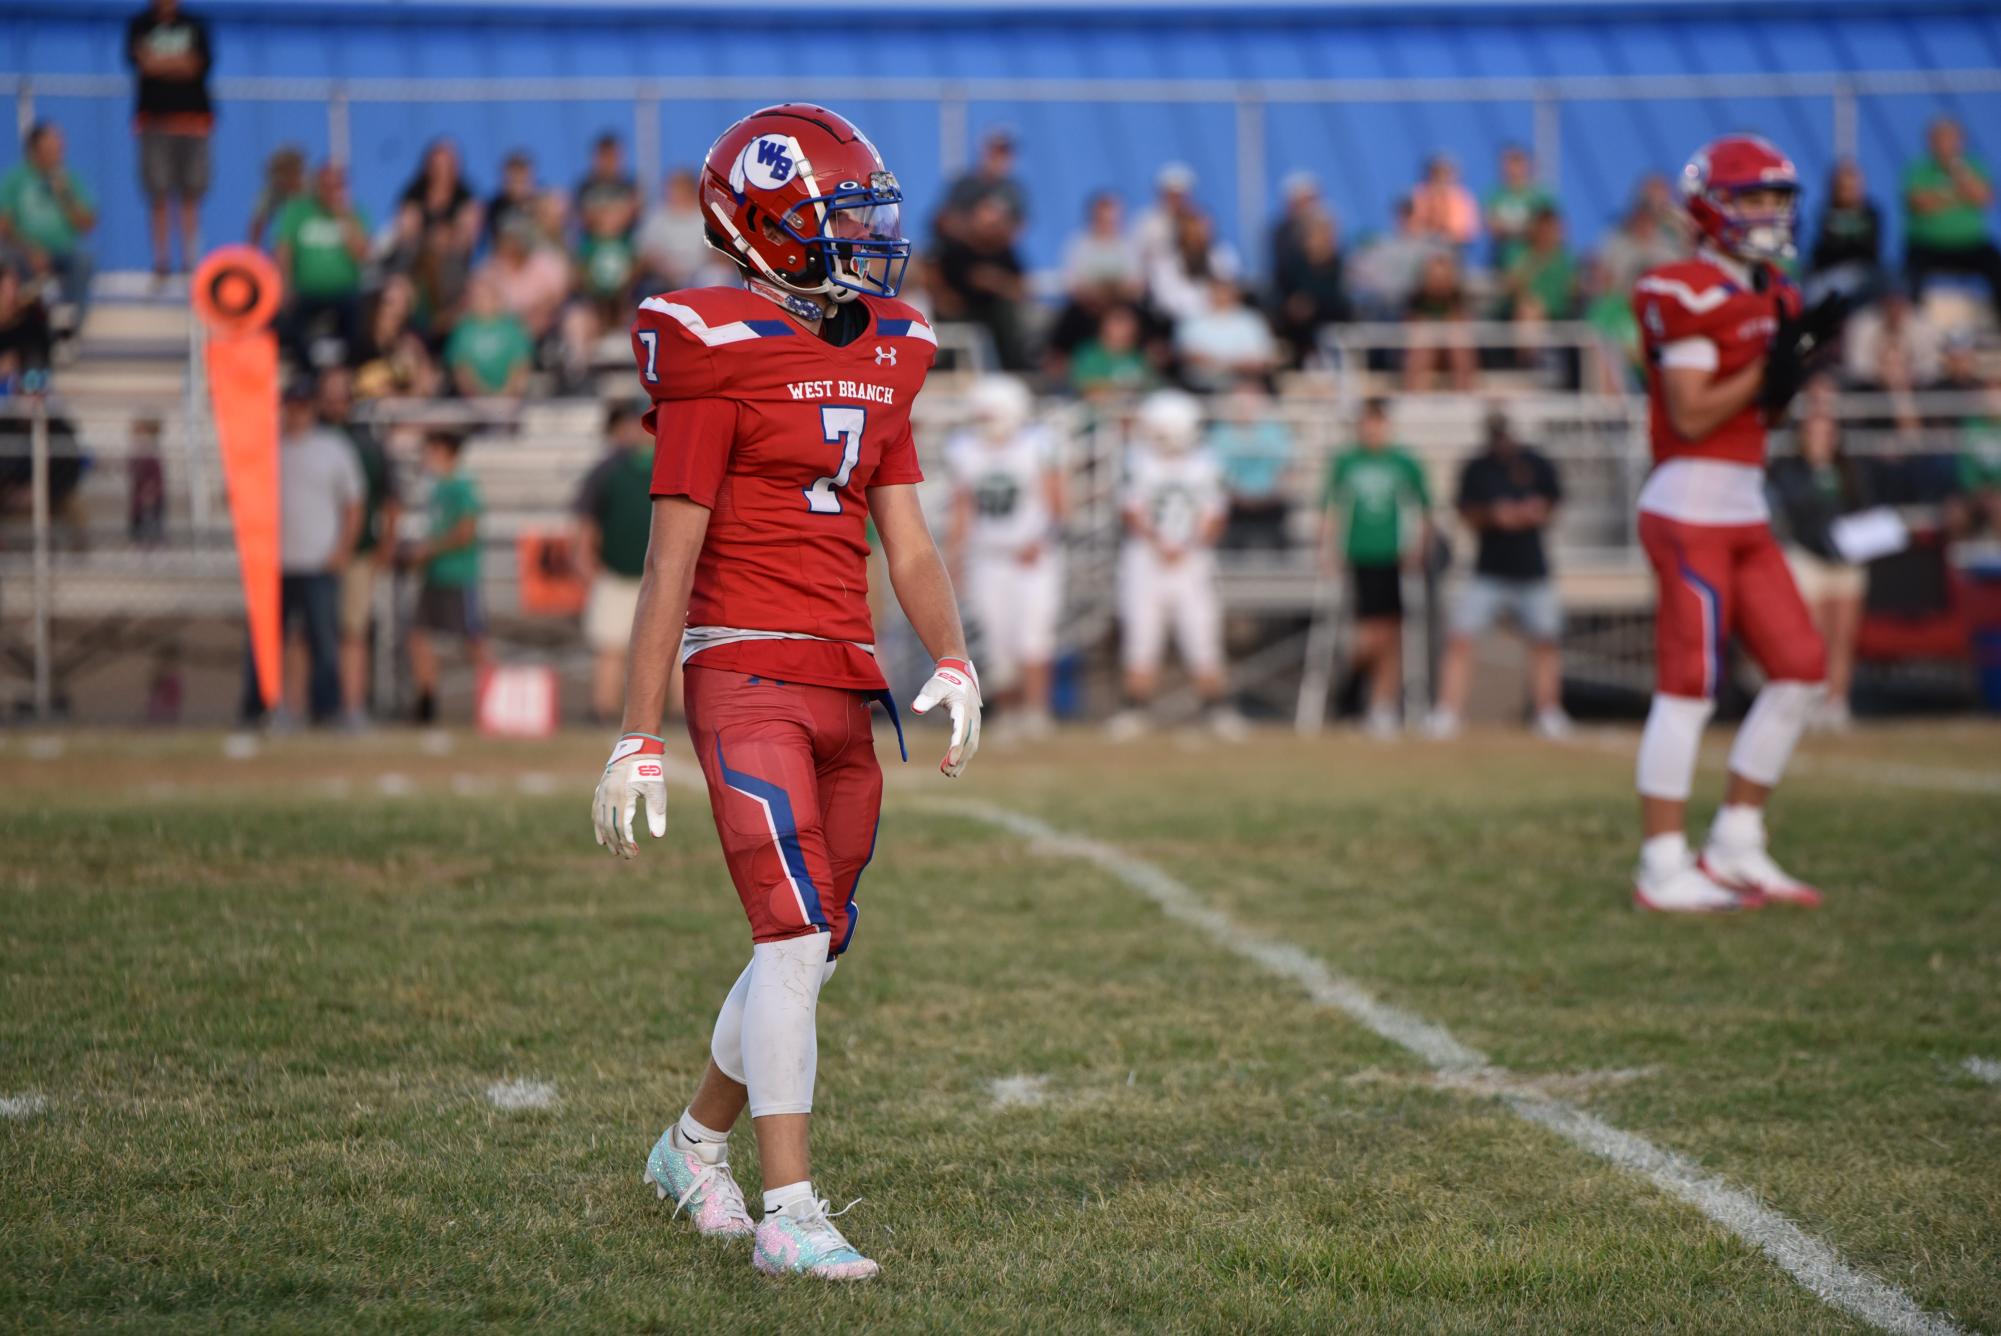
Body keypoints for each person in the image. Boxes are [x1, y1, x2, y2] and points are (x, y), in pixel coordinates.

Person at [602, 104, 981, 1283]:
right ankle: (791, 1210)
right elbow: (670, 560)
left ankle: (693, 1143)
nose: (869, 242)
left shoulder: (887, 347)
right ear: (765, 225)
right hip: (743, 665)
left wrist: (955, 657)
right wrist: (635, 734)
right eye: (843, 218)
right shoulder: (708, 343)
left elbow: (907, 545)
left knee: (819, 940)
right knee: (790, 925)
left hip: (845, 678)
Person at [1629, 133, 1836, 914]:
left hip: (1743, 502)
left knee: (1801, 667)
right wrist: (1769, 360)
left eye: (1777, 200)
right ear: (1710, 207)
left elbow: (1764, 413)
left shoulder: (1776, 292)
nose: (1768, 214)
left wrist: (1788, 367)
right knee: (1688, 684)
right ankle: (1659, 863)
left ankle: (1736, 841)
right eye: (1753, 198)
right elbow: (1689, 415)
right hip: (1685, 505)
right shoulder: (1678, 288)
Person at [1426, 409, 1570, 740]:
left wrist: (1533, 513)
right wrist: (1495, 517)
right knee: (1460, 638)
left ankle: (1549, 712)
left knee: (1545, 641)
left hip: (1532, 569)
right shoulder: (1476, 467)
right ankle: (1447, 713)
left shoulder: (1536, 462)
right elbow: (1465, 511)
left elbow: (1554, 502)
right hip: (1488, 570)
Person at [1108, 389, 1242, 741]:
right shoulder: (1137, 460)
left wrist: (1186, 547)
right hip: (1146, 560)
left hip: (1191, 560)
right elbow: (1132, 512)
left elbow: (1215, 515)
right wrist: (1161, 545)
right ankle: (1135, 708)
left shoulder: (1206, 463)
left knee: (1202, 635)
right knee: (1141, 636)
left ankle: (1216, 707)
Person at [945, 375, 1066, 738]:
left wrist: (1042, 539)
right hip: (988, 555)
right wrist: (954, 558)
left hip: (1033, 555)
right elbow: (962, 507)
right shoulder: (965, 448)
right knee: (997, 644)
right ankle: (1009, 713)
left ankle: (1036, 712)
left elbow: (1058, 501)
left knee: (1034, 638)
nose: (985, 425)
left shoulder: (1038, 445)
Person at [245, 379, 363, 728]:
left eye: (300, 407)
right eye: (289, 407)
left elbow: (353, 505)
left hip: (318, 561)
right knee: (265, 645)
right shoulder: (267, 448)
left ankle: (325, 710)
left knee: (324, 642)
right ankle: (257, 708)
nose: (294, 415)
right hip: (273, 565)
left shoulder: (332, 448)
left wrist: (342, 550)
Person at [1321, 398, 1431, 738]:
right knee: (1370, 635)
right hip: (1359, 554)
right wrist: (1329, 550)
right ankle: (1351, 690)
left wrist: (1418, 548)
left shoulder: (1404, 462)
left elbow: (1423, 508)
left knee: (1391, 633)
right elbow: (1332, 508)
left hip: (1393, 556)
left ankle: (1381, 705)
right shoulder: (1346, 462)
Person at [1768, 407, 1872, 731]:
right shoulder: (1790, 472)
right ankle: (1811, 699)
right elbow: (1795, 513)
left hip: (1847, 562)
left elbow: (1865, 507)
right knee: (1814, 636)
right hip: (1809, 558)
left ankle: (1837, 701)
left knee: (1843, 637)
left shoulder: (1849, 471)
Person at [572, 402, 676, 725]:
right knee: (610, 646)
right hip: (618, 572)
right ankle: (603, 708)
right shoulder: (608, 469)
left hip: (667, 573)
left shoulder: (673, 462)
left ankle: (681, 713)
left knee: (674, 648)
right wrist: (585, 558)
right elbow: (587, 519)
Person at [319, 367, 399, 730]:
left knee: (353, 631)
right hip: (312, 555)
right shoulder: (310, 438)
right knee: (307, 634)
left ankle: (352, 707)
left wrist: (384, 545)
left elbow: (389, 501)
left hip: (355, 554)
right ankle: (299, 706)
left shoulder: (365, 446)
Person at [403, 429, 487, 725]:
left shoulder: (461, 486)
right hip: (436, 574)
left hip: (457, 574)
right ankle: (426, 700)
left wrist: (429, 549)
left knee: (472, 642)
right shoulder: (439, 488)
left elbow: (466, 531)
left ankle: (491, 701)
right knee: (418, 635)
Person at [125, 0, 212, 282]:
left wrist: (159, 63)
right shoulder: (140, 24)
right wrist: (177, 63)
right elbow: (141, 64)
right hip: (154, 122)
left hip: (193, 122)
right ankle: (162, 263)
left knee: (191, 195)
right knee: (158, 194)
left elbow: (197, 65)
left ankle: (190, 261)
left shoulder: (195, 25)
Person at [0, 124, 98, 332]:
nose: (57, 154)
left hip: (62, 251)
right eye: (50, 149)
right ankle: (15, 328)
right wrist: (30, 250)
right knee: (6, 260)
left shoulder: (69, 179)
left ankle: (69, 330)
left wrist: (65, 195)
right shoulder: (15, 179)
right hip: (22, 250)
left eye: (59, 149)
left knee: (83, 260)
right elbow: (4, 224)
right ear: (34, 150)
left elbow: (87, 224)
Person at [1902, 116, 2001, 323]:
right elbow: (1920, 204)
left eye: (1951, 139)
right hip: (1928, 245)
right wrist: (1957, 194)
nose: (1946, 145)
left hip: (1970, 244)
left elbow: (1984, 197)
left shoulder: (1973, 166)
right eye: (1940, 139)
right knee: (1910, 276)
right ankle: (1914, 326)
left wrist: (1958, 175)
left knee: (1996, 266)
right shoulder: (1919, 169)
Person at [273, 162, 367, 366]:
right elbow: (283, 250)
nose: (331, 191)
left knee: (360, 322)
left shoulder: (353, 214)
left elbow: (362, 255)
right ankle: (307, 375)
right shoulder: (297, 211)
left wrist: (343, 217)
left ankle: (349, 372)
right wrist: (286, 286)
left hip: (345, 292)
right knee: (287, 324)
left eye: (336, 186)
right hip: (306, 291)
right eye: (326, 185)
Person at [933, 194, 1027, 370]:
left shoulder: (1004, 252)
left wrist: (995, 281)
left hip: (992, 312)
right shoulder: (955, 250)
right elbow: (937, 279)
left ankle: (1013, 367)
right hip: (961, 309)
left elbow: (1019, 287)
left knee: (1005, 313)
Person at [1207, 378, 1296, 551]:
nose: (1245, 405)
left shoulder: (1275, 431)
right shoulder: (1219, 434)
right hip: (1234, 501)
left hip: (1270, 499)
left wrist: (1271, 493)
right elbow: (1216, 474)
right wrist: (1237, 496)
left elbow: (1284, 469)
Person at [1270, 204, 1349, 367]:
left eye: (1326, 233)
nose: (1322, 239)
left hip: (1330, 325)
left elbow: (1341, 299)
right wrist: (1293, 305)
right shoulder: (1291, 265)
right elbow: (1280, 294)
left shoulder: (1340, 266)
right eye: (1317, 233)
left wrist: (1313, 303)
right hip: (1296, 329)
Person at [575, 133, 641, 320]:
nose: (609, 162)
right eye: (605, 156)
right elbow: (585, 218)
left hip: (625, 245)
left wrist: (607, 217)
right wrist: (611, 218)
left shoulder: (628, 184)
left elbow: (632, 213)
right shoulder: (586, 186)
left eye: (613, 156)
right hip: (594, 246)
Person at [1174, 277, 1278, 392]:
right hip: (1199, 386)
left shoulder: (1252, 320)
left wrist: (1221, 364)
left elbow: (1262, 360)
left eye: (1225, 291)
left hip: (1244, 385)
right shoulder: (1191, 319)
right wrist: (1232, 364)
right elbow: (1189, 355)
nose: (1221, 295)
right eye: (1217, 291)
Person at [444, 273, 534, 398]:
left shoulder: (513, 328)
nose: (481, 301)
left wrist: (506, 395)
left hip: (510, 403)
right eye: (476, 296)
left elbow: (521, 367)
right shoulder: (462, 330)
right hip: (473, 403)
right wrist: (481, 397)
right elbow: (461, 371)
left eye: (485, 296)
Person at [1807, 159, 1883, 303]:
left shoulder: (1872, 213)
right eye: (1844, 187)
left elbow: (1868, 251)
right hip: (1828, 273)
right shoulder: (1825, 211)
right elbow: (1827, 249)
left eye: (1853, 187)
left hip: (1863, 274)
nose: (1849, 192)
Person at [635, 168, 714, 293]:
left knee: (716, 276)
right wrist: (664, 268)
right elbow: (645, 251)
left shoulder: (706, 216)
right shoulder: (657, 216)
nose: (672, 193)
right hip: (662, 276)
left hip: (699, 275)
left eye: (677, 189)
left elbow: (717, 252)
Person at [941, 127, 1026, 239]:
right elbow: (944, 220)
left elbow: (1020, 225)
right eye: (997, 152)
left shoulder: (1012, 191)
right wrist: (976, 222)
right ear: (985, 152)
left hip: (996, 251)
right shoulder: (965, 185)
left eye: (1006, 154)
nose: (1002, 159)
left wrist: (997, 223)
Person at [1484, 144, 1553, 271]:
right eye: (1508, 163)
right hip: (1502, 261)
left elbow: (1545, 229)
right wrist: (1525, 227)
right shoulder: (1495, 195)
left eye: (1517, 163)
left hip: (1534, 263)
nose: (1512, 169)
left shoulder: (1539, 196)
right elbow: (1492, 227)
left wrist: (1509, 227)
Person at [1410, 154, 1478, 248]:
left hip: (1454, 247)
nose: (1440, 177)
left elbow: (1467, 230)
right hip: (1423, 245)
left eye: (1445, 173)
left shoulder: (1462, 196)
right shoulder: (1420, 193)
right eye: (1436, 172)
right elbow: (1414, 223)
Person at [247, 145, 304, 249]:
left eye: (289, 173)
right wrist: (252, 252)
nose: (283, 181)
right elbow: (257, 224)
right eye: (279, 177)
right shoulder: (271, 193)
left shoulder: (313, 189)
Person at [483, 150, 538, 253]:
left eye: (522, 181)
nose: (518, 187)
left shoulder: (541, 204)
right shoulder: (495, 207)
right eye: (514, 181)